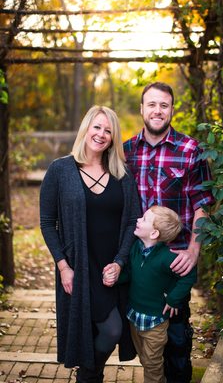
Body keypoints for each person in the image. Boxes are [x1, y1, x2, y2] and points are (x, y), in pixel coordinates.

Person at [40, 105, 141, 383]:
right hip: (79, 268)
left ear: (113, 136)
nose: (101, 134)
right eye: (97, 127)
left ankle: (87, 378)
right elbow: (48, 222)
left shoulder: (122, 175)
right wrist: (63, 267)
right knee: (107, 330)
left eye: (108, 130)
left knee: (110, 331)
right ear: (86, 128)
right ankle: (89, 377)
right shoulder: (60, 170)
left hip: (110, 270)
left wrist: (120, 262)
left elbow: (133, 220)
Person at [123, 82, 214, 383]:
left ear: (172, 109)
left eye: (164, 105)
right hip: (139, 261)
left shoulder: (190, 150)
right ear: (141, 108)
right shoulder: (127, 152)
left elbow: (202, 205)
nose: (157, 110)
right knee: (142, 338)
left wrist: (193, 251)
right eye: (151, 104)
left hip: (174, 262)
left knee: (176, 343)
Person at [117, 205, 197, 383]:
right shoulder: (135, 249)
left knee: (153, 365)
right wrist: (116, 276)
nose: (138, 220)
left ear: (154, 234)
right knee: (145, 360)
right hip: (134, 317)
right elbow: (131, 272)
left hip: (155, 323)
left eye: (144, 219)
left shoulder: (168, 257)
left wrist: (174, 298)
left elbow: (189, 275)